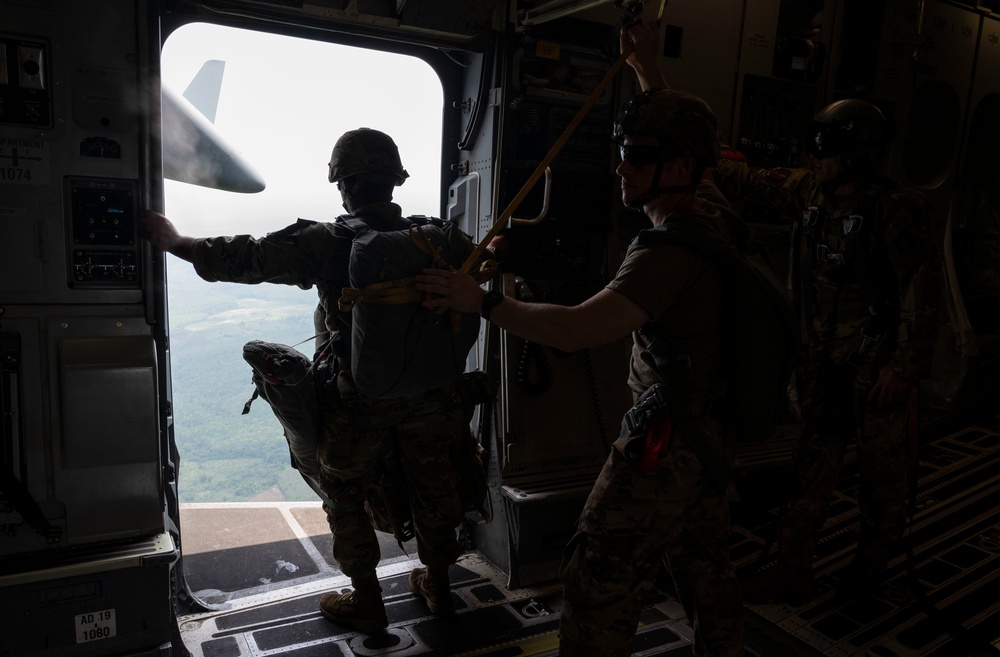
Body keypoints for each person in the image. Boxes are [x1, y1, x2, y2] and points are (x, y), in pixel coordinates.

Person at [415, 28, 745, 657]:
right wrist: (647, 69)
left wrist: (480, 301)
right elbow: (681, 134)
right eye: (622, 150)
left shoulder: (666, 252)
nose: (620, 165)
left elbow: (576, 328)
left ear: (676, 168)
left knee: (595, 576)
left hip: (666, 439)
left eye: (636, 155)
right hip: (713, 432)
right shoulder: (713, 212)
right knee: (706, 563)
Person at [143, 127, 500, 633]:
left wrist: (177, 241)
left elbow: (246, 258)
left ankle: (367, 599)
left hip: (360, 403)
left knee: (342, 490)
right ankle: (439, 587)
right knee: (435, 486)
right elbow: (485, 263)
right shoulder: (440, 236)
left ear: (343, 185)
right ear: (395, 181)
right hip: (435, 398)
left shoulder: (329, 242)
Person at [711, 99, 942, 602]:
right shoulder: (811, 194)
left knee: (882, 479)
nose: (814, 157)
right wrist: (696, 153)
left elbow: (921, 291)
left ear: (857, 155)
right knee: (810, 468)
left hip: (877, 366)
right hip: (823, 364)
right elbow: (751, 181)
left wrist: (903, 369)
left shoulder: (898, 208)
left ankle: (869, 575)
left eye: (826, 149)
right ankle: (795, 569)